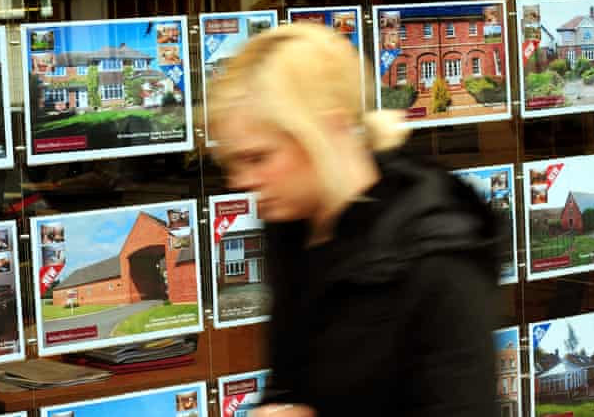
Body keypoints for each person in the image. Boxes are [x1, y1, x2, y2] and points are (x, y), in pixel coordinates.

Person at [207, 23, 501, 416]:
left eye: (258, 158)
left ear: (328, 130)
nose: (240, 181)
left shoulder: (440, 262)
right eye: (235, 161)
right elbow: (293, 384)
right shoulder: (293, 228)